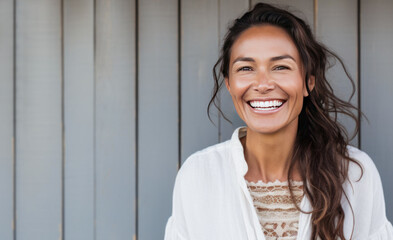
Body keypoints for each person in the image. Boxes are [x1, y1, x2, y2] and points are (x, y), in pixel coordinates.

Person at [165, 3, 393, 240]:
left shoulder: (355, 174)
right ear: (229, 84)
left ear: (308, 81)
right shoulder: (198, 175)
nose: (263, 84)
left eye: (281, 66)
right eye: (246, 68)